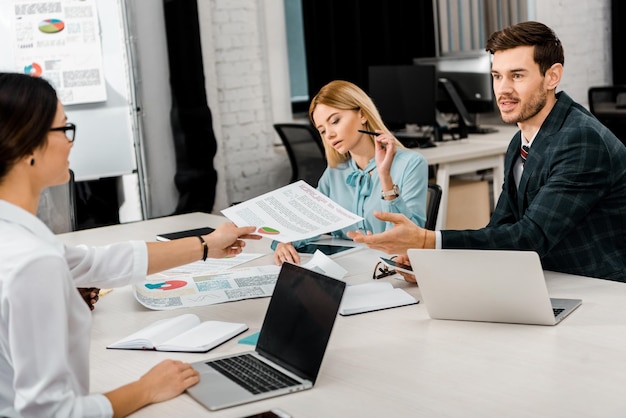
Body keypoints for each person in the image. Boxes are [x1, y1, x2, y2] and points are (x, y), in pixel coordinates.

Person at [0, 72, 261, 417]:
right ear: (29, 146)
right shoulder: (33, 261)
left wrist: (206, 245)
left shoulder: (15, 237)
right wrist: (145, 389)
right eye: (64, 128)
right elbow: (50, 414)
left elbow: (99, 262)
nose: (71, 140)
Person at [348, 21, 626, 282]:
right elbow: (500, 232)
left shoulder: (581, 140)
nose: (503, 90)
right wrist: (435, 265)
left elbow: (530, 238)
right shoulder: (520, 142)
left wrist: (427, 241)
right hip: (544, 282)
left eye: (517, 76)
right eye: (497, 76)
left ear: (552, 76)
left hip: (599, 292)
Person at [273, 80, 429, 265]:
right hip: (348, 268)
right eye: (322, 130)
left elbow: (409, 238)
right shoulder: (335, 172)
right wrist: (284, 241)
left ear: (362, 114)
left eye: (335, 121)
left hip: (387, 270)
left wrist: (385, 176)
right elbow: (305, 222)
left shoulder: (410, 164)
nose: (329, 134)